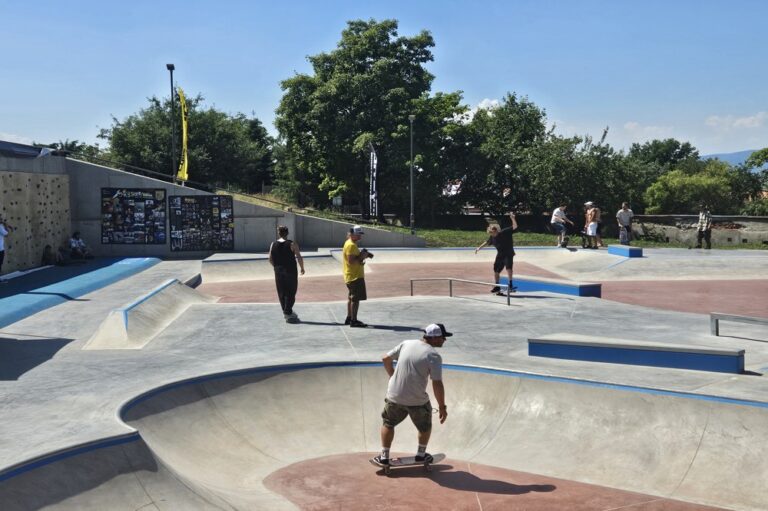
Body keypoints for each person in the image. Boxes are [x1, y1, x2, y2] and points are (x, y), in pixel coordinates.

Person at [373, 323, 451, 467]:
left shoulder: (406, 344)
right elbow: (437, 383)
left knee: (388, 423)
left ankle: (384, 457)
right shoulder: (433, 356)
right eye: (443, 337)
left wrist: (392, 375)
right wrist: (442, 407)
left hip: (394, 396)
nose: (444, 340)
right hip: (417, 401)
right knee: (425, 427)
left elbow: (385, 358)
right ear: (435, 338)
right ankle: (420, 455)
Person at [268, 225, 305, 323]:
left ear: (279, 233)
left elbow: (270, 259)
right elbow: (299, 257)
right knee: (291, 291)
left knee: (281, 291)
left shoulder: (273, 244)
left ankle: (287, 311)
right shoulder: (292, 244)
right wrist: (302, 268)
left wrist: (276, 267)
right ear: (287, 233)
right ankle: (287, 312)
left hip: (278, 271)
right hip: (290, 271)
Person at [475, 211, 518, 294]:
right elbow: (487, 242)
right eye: (490, 234)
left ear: (495, 231)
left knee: (508, 268)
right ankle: (497, 286)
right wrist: (479, 248)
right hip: (500, 255)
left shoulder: (504, 232)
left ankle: (510, 284)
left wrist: (513, 218)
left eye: (492, 233)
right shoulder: (492, 237)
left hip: (508, 253)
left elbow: (515, 226)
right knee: (496, 270)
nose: (491, 235)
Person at [342, 224, 373, 327]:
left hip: (351, 275)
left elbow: (353, 259)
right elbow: (351, 261)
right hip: (354, 276)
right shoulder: (351, 245)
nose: (360, 236)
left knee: (351, 298)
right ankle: (353, 321)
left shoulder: (349, 243)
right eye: (358, 234)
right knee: (355, 299)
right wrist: (362, 257)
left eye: (360, 234)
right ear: (352, 234)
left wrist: (362, 256)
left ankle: (349, 318)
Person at [0, 216, 12, 283]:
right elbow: (6, 234)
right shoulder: (0, 227)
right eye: (0, 219)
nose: (2, 220)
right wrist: (6, 226)